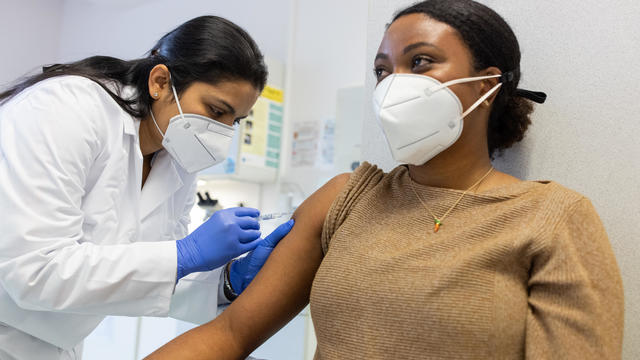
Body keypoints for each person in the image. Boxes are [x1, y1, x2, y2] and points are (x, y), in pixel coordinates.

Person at [148, 1, 624, 359]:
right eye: (382, 70)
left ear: (486, 85)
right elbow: (229, 335)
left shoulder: (551, 217)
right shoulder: (346, 198)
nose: (393, 85)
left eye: (419, 62)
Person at [0, 16, 293, 360]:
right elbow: (34, 271)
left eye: (236, 121)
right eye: (216, 111)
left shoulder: (178, 159)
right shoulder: (64, 109)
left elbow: (149, 273)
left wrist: (226, 280)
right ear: (160, 82)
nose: (224, 133)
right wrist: (185, 254)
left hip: (54, 346)